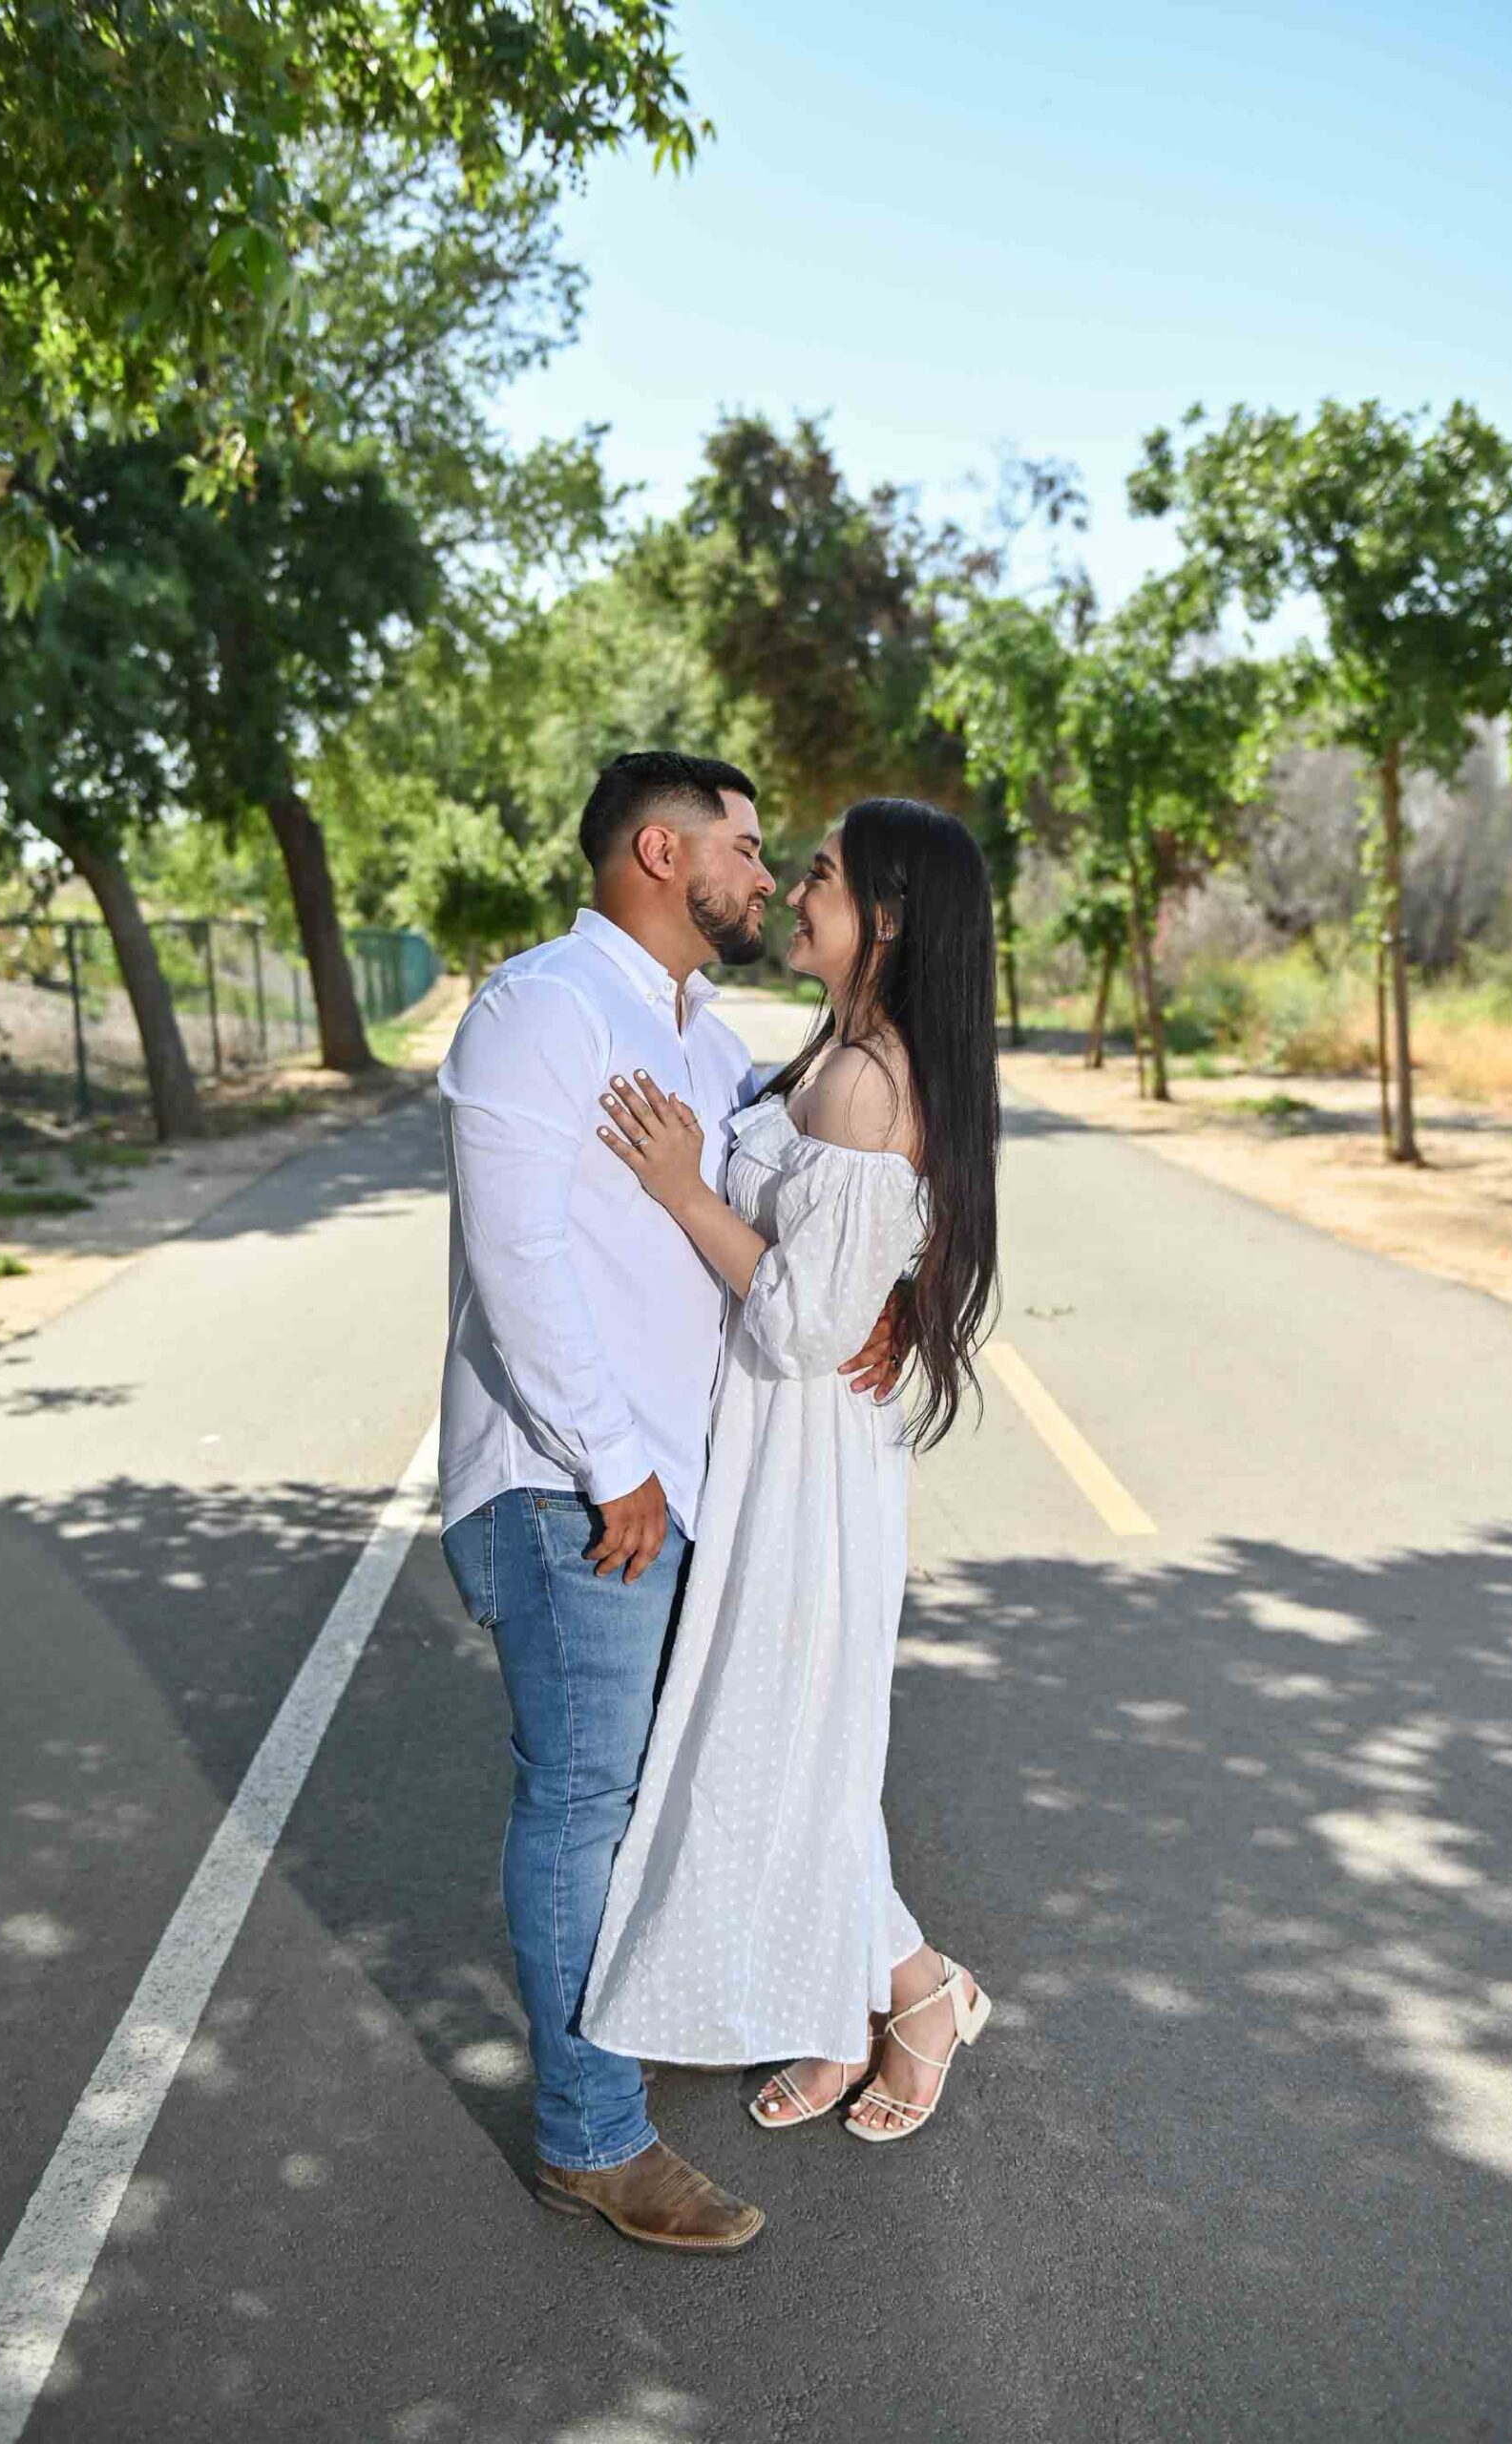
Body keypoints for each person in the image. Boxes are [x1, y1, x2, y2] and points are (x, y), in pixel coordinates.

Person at [436, 751, 902, 2252]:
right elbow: (516, 1256)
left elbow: (795, 1218)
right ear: (660, 851)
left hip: (688, 1482)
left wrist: (883, 1301)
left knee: (647, 1791)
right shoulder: (542, 1009)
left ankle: (642, 2037)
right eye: (748, 850)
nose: (767, 876)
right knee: (583, 1802)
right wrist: (609, 1460)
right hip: (575, 1489)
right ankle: (592, 2138)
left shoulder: (709, 1035)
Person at [580, 797, 1001, 2144]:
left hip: (813, 1466)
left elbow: (808, 1323)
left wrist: (680, 1187)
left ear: (886, 919)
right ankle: (843, 2007)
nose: (795, 892)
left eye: (820, 874)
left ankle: (913, 1993)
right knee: (778, 1740)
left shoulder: (874, 1082)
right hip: (775, 1444)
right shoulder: (836, 1051)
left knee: (789, 1745)